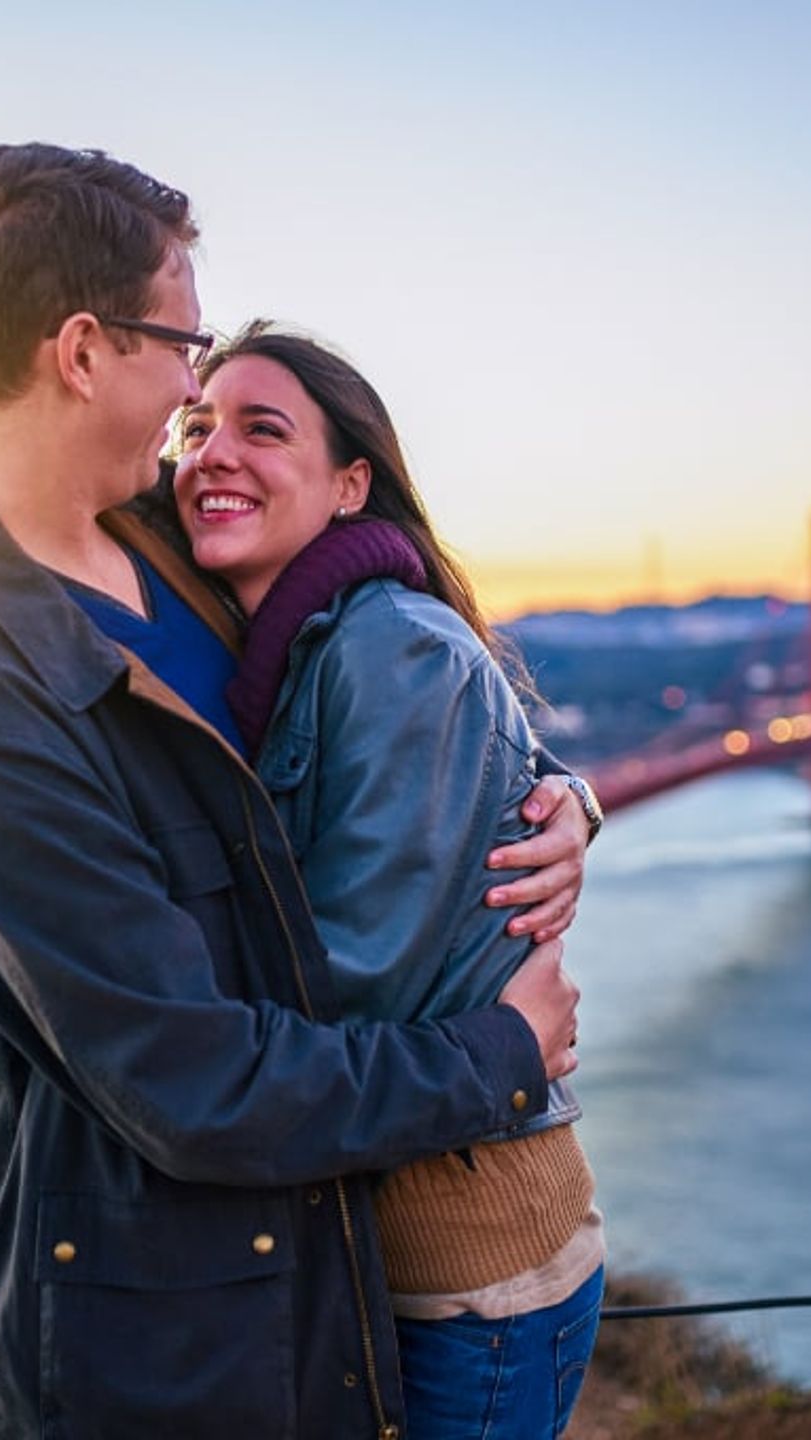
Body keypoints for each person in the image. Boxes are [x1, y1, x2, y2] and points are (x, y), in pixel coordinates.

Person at [0, 142, 590, 1439]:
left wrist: (552, 802)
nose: (193, 390)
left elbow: (396, 689)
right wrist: (500, 1056)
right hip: (155, 1351)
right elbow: (194, 1084)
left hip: (301, 1275)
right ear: (83, 353)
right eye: (179, 346)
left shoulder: (157, 543)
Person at [171, 321, 605, 1439]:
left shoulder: (389, 648)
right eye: (194, 424)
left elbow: (358, 980)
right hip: (383, 1248)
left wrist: (134, 1010)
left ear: (351, 484)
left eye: (263, 430)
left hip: (467, 1264)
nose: (211, 451)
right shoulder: (278, 647)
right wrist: (570, 795)